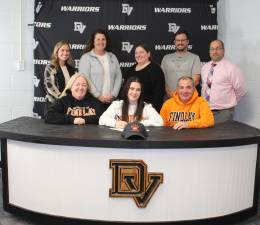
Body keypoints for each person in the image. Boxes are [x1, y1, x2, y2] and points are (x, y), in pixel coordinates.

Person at [201, 40, 246, 124]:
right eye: (212, 49)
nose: (215, 51)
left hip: (223, 113)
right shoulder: (205, 67)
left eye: (218, 48)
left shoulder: (231, 68)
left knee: (221, 136)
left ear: (223, 50)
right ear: (209, 51)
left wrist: (229, 103)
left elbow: (241, 90)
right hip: (206, 110)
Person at [79, 29, 122, 106]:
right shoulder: (86, 58)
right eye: (98, 39)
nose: (101, 42)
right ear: (93, 42)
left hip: (111, 101)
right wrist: (98, 96)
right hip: (92, 101)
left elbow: (118, 76)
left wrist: (113, 95)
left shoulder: (112, 56)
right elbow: (85, 78)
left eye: (103, 39)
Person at [99, 77, 163, 128]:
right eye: (132, 89)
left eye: (138, 90)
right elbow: (102, 119)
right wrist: (115, 123)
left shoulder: (146, 107)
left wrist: (139, 124)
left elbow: (160, 121)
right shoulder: (117, 105)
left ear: (141, 92)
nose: (134, 92)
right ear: (127, 89)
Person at [124, 44, 165, 112]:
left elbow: (158, 95)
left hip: (148, 111)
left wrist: (152, 111)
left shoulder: (156, 70)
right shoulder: (130, 70)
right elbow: (125, 90)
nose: (138, 55)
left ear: (148, 54)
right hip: (130, 110)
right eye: (136, 53)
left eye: (141, 52)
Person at [161, 30, 201, 98]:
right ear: (174, 42)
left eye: (183, 40)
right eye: (178, 40)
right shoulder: (166, 58)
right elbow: (161, 79)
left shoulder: (195, 58)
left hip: (188, 98)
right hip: (169, 98)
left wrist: (180, 93)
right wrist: (169, 92)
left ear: (187, 41)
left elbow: (196, 80)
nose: (180, 42)